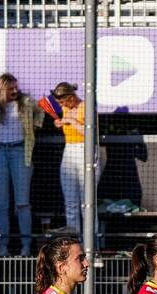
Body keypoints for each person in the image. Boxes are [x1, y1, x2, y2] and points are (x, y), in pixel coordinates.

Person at [0, 73, 44, 256]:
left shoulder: (25, 102)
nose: (15, 91)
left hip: (20, 152)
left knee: (22, 202)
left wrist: (35, 126)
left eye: (16, 87)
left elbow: (40, 111)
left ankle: (25, 246)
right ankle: (3, 245)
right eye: (10, 88)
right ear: (2, 89)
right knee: (1, 203)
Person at [51, 82, 101, 238]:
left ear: (71, 98)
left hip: (85, 149)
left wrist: (71, 122)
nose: (61, 105)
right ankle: (75, 243)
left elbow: (90, 133)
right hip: (69, 150)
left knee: (87, 203)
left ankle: (92, 245)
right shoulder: (66, 108)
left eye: (63, 102)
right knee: (70, 201)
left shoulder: (86, 107)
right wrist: (59, 122)